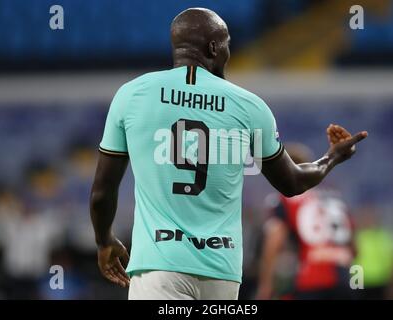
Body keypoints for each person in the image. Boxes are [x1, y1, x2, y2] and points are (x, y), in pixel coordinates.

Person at [89, 7, 368, 300]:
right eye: (227, 44)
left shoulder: (132, 95)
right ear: (213, 47)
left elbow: (101, 192)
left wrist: (104, 240)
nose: (228, 53)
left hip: (159, 266)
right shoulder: (250, 106)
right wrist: (333, 157)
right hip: (221, 272)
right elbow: (293, 183)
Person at [256, 144, 356, 300]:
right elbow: (354, 247)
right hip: (346, 278)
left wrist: (265, 286)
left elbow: (273, 244)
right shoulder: (335, 199)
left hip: (312, 280)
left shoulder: (285, 200)